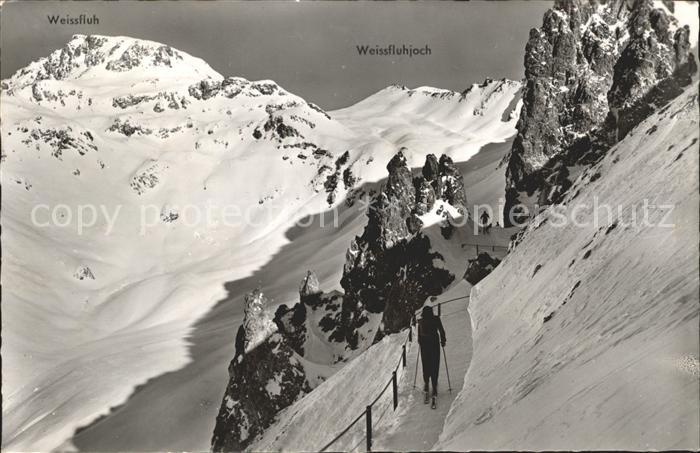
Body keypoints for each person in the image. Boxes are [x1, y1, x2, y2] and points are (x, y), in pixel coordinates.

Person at [418, 305, 446, 406]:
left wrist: (420, 343)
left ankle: (426, 383)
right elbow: (441, 331)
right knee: (435, 364)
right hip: (434, 345)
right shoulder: (436, 319)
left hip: (425, 346)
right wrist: (443, 341)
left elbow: (419, 336)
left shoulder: (420, 321)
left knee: (426, 364)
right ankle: (434, 385)